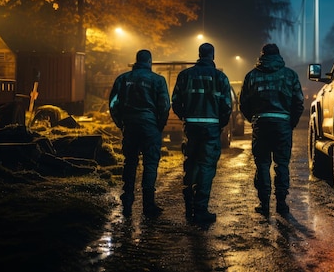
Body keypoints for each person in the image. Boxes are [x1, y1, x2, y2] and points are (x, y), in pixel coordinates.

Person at [240, 43, 304, 216]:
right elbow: (298, 102)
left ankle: (264, 203)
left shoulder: (251, 76)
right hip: (282, 124)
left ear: (262, 56)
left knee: (262, 164)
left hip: (261, 124)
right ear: (278, 55)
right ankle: (282, 203)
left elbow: (243, 103)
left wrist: (253, 119)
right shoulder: (290, 75)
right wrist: (291, 122)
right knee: (282, 163)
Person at [172, 43, 232, 224]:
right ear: (213, 56)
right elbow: (227, 106)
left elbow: (175, 101)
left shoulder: (185, 75)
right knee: (206, 166)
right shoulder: (220, 77)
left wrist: (186, 116)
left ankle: (188, 205)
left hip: (191, 127)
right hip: (211, 127)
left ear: (199, 54)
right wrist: (219, 124)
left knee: (190, 163)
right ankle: (200, 209)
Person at [109, 49, 170, 218]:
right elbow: (165, 105)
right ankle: (148, 205)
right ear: (150, 61)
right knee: (150, 164)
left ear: (136, 61)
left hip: (130, 125)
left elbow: (113, 103)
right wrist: (159, 125)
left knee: (130, 162)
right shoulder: (158, 80)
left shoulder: (123, 79)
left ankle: (127, 201)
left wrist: (120, 122)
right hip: (150, 126)